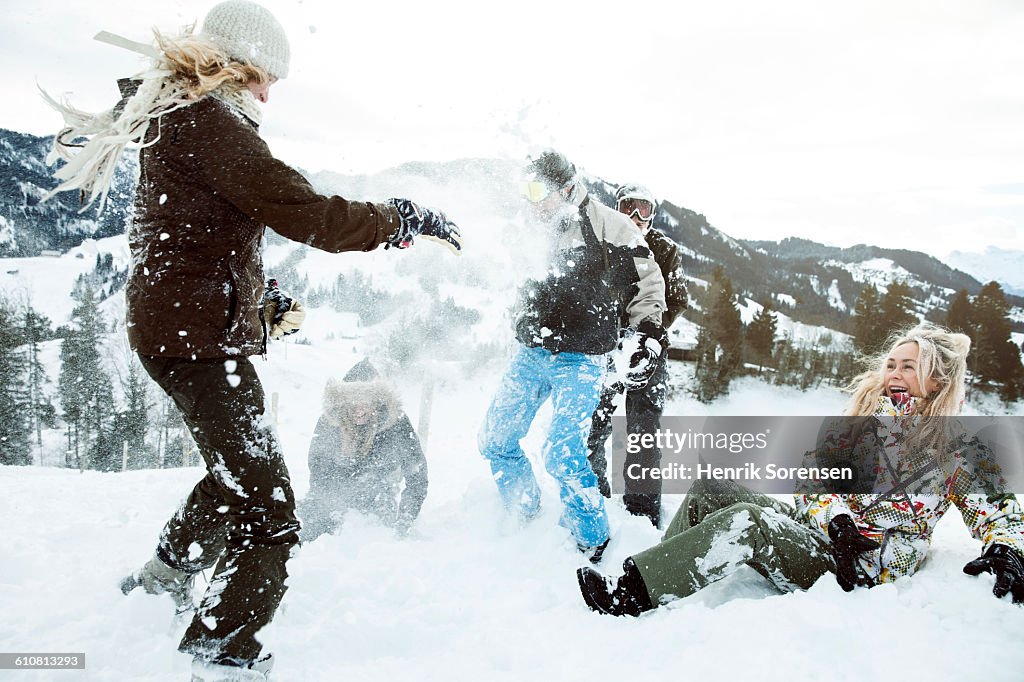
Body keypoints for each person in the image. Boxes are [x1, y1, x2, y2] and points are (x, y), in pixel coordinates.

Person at [41, 2, 461, 679]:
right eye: (267, 75)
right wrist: (400, 219)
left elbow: (188, 235)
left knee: (236, 470)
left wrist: (255, 304)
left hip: (191, 333)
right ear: (234, 64)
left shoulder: (185, 119)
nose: (270, 92)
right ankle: (221, 651)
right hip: (197, 346)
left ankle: (165, 575)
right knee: (270, 510)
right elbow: (309, 213)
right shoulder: (209, 125)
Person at [577, 323, 1024, 615]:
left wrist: (1008, 549)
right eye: (891, 363)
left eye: (910, 366)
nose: (895, 372)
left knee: (748, 523)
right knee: (711, 485)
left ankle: (630, 596)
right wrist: (838, 518)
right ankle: (660, 577)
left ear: (938, 381)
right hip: (830, 534)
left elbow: (1000, 512)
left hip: (865, 566)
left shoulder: (961, 449)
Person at [477, 150, 667, 563]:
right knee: (496, 439)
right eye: (525, 191)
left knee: (563, 453)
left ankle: (592, 539)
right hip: (532, 351)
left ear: (566, 187)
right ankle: (524, 512)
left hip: (581, 357)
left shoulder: (608, 225)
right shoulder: (528, 227)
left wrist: (647, 334)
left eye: (538, 191)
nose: (532, 201)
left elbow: (648, 281)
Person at [586, 183, 688, 528]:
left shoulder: (664, 248)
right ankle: (592, 496)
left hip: (647, 350)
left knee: (643, 431)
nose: (635, 217)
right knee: (593, 422)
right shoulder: (606, 240)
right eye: (629, 207)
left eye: (643, 209)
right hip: (607, 346)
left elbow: (678, 298)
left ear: (653, 215)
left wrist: (648, 330)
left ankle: (641, 513)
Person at [297, 359, 428, 541]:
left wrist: (405, 519)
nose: (359, 411)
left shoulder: (396, 424)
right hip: (333, 497)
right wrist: (328, 511)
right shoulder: (329, 423)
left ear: (377, 402)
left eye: (365, 403)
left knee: (373, 545)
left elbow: (417, 477)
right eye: (352, 403)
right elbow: (319, 472)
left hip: (378, 500)